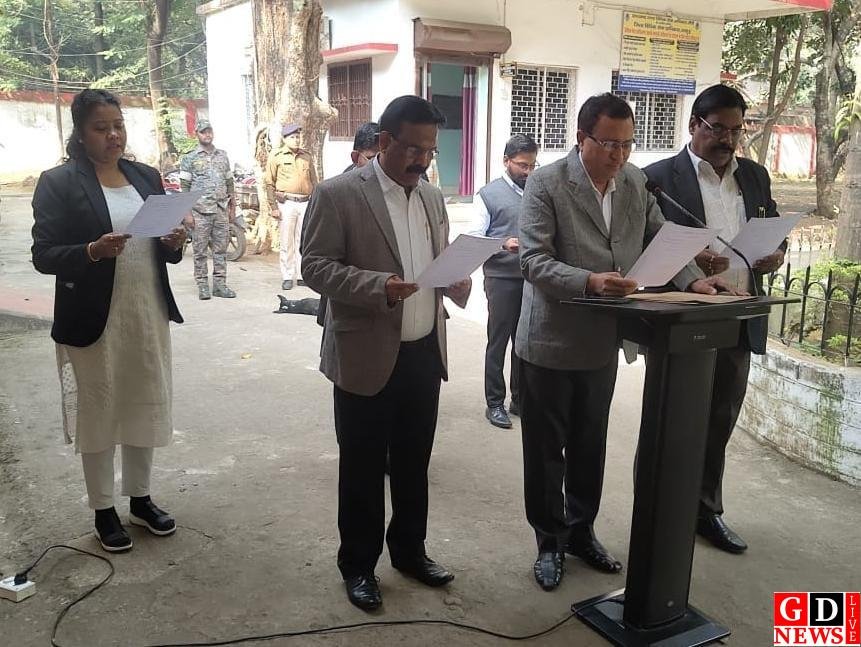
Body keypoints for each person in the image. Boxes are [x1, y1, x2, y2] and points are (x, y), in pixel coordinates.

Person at [516, 92, 735, 591]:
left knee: (590, 444)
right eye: (609, 144)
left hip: (603, 341)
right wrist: (589, 281)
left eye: (627, 145)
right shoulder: (547, 183)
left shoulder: (635, 182)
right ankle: (549, 542)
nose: (619, 155)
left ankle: (581, 532)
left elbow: (661, 238)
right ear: (581, 138)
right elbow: (532, 260)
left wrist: (693, 281)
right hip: (550, 340)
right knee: (547, 452)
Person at [302, 95, 471, 612]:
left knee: (414, 463)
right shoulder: (338, 194)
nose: (422, 160)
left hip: (423, 351)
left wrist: (456, 281)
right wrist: (379, 286)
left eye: (430, 150)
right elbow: (315, 266)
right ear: (383, 142)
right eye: (413, 149)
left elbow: (438, 258)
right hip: (365, 354)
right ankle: (358, 565)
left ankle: (410, 552)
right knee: (362, 466)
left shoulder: (432, 198)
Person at [31, 89, 186, 553]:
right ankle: (103, 509)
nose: (113, 135)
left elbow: (162, 247)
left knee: (143, 401)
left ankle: (140, 499)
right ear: (81, 134)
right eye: (101, 128)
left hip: (145, 311)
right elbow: (43, 255)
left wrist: (174, 242)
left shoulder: (145, 176)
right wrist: (91, 251)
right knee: (100, 410)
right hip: (93, 318)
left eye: (118, 125)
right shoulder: (58, 182)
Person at [644, 84, 785, 555]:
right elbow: (642, 244)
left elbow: (772, 226)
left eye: (735, 130)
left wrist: (776, 254)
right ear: (694, 125)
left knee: (720, 418)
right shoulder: (658, 178)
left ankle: (706, 511)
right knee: (670, 421)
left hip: (738, 314)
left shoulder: (754, 176)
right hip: (681, 320)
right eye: (717, 128)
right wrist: (689, 265)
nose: (727, 139)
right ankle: (659, 510)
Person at [469, 133, 538, 429]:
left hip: (532, 278)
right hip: (501, 279)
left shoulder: (536, 190)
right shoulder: (487, 195)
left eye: (532, 165)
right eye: (522, 165)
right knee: (498, 341)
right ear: (506, 161)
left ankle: (519, 400)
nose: (528, 171)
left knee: (524, 342)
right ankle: (494, 403)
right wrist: (502, 243)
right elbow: (474, 238)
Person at [179, 120, 236, 300]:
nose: (207, 135)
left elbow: (229, 182)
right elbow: (184, 187)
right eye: (203, 132)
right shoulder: (190, 158)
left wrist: (233, 207)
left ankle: (220, 285)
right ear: (197, 134)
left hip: (220, 210)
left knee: (221, 250)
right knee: (200, 251)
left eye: (209, 131)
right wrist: (187, 214)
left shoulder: (222, 156)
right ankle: (202, 285)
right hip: (199, 211)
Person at [265, 123, 318, 290]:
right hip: (286, 203)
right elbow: (269, 183)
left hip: (305, 203)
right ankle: (288, 275)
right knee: (287, 241)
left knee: (303, 240)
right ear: (285, 139)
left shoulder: (306, 156)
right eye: (293, 137)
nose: (296, 140)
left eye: (298, 137)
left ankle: (302, 275)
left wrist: (316, 203)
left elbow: (314, 180)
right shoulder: (276, 156)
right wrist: (273, 207)